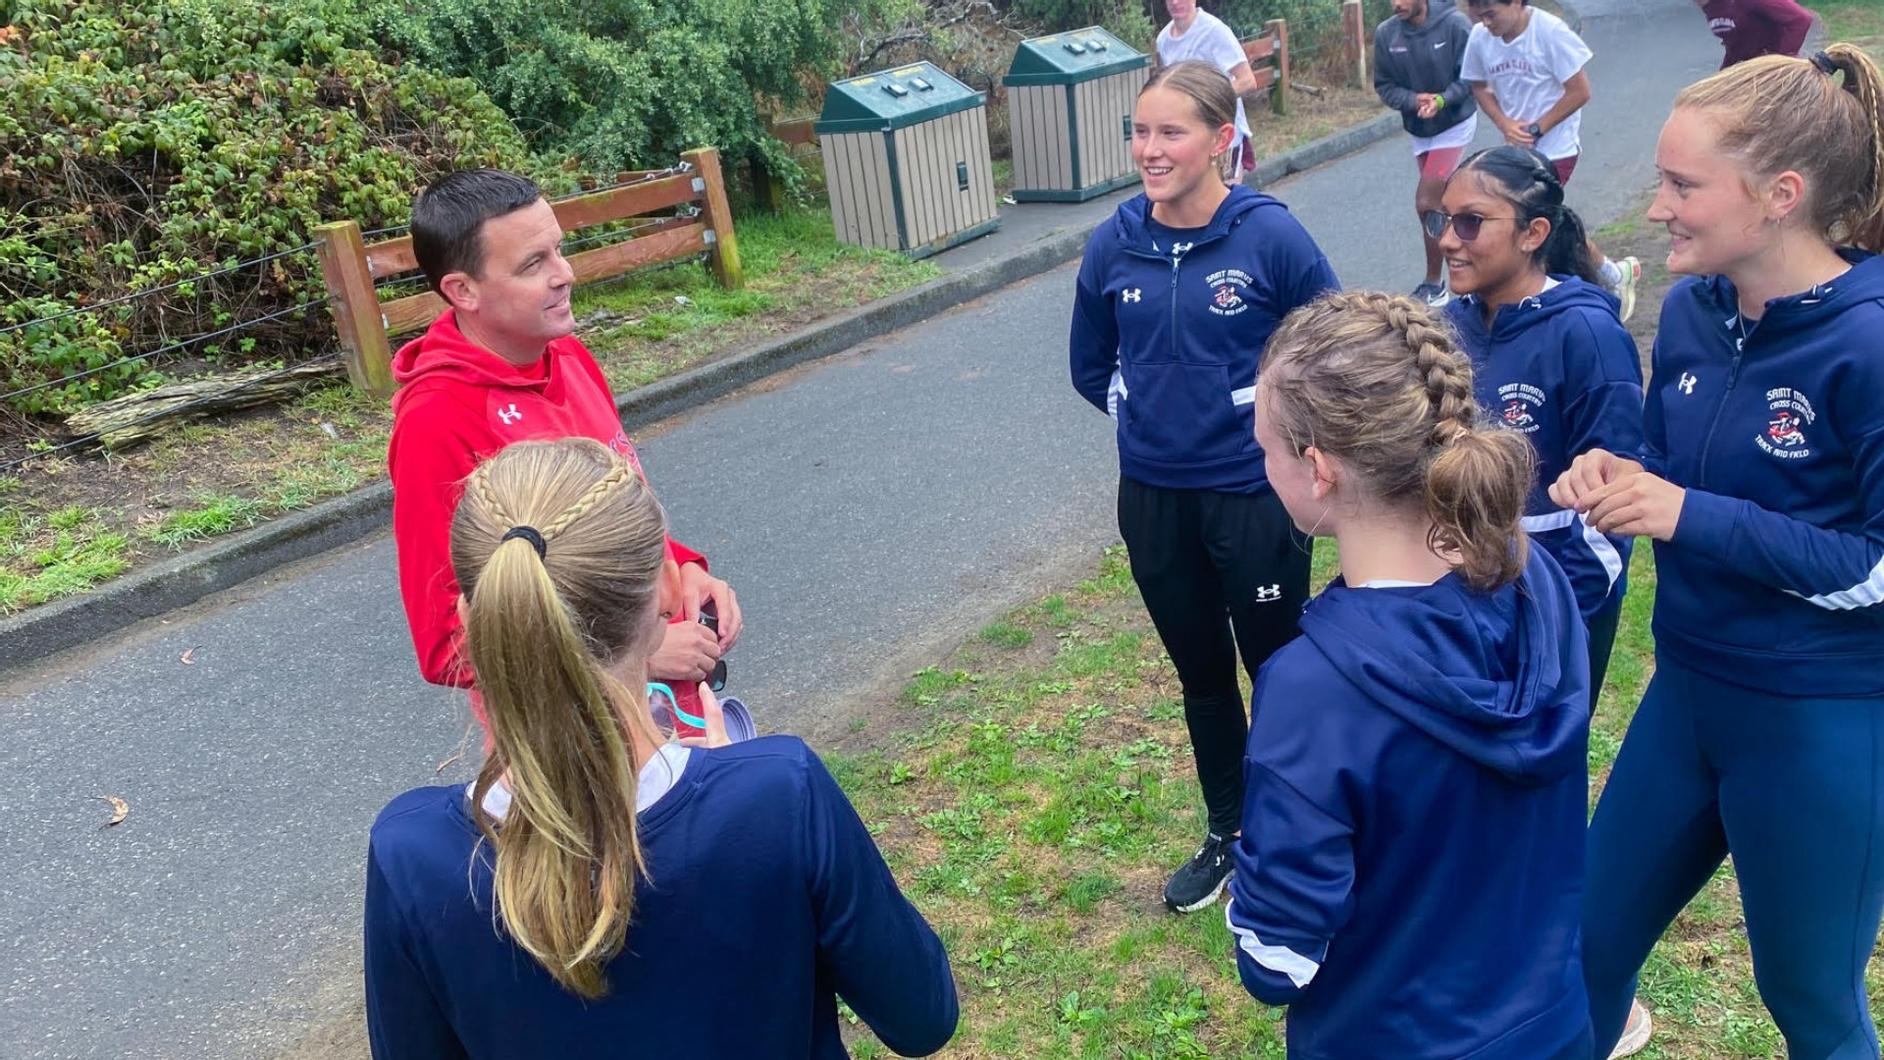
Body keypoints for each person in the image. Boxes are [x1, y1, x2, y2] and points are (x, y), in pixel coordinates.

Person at [364, 438, 959, 1058]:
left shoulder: (411, 854)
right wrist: (735, 780)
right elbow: (922, 1018)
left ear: (469, 611)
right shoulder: (778, 793)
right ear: (665, 593)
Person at [1553, 46, 1884, 1059]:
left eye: (1681, 185)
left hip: (1822, 722)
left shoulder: (1868, 345)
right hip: (1689, 692)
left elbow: (1873, 563)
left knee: (1810, 1002)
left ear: (1781, 196)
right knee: (1582, 947)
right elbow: (1672, 456)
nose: (1656, 209)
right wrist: (1619, 471)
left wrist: (1684, 512)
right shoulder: (1695, 310)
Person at [1225, 291, 1593, 1060]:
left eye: (1264, 447)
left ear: (1317, 469)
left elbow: (1278, 960)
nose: (1260, 465)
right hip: (1551, 1024)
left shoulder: (1312, 689)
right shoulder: (1539, 581)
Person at [1069, 60, 1339, 914]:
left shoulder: (1270, 237)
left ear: (1223, 140)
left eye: (1170, 132)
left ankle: (1298, 834)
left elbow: (1331, 348)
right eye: (1141, 132)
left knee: (1279, 669)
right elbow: (1089, 364)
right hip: (1153, 498)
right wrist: (1150, 409)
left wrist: (1266, 427)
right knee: (1202, 676)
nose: (1149, 150)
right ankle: (1230, 831)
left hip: (1254, 498)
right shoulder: (1114, 242)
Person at [386, 169, 739, 730]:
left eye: (560, 250)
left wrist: (684, 570)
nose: (565, 274)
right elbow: (445, 643)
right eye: (533, 264)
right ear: (462, 290)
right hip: (575, 748)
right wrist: (639, 653)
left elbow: (603, 519)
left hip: (671, 714)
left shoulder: (568, 355)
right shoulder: (437, 420)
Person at [1437, 145, 1644, 696]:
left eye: (1470, 222)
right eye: (1445, 219)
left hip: (1558, 603)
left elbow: (1613, 503)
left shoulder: (1586, 335)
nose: (1447, 239)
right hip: (1455, 598)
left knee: (1542, 764)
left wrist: (1551, 613)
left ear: (1533, 234)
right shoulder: (1444, 329)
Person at [1462, 0, 1642, 320]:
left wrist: (1537, 127)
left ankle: (1584, 286)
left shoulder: (1550, 32)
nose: (1485, 22)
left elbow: (1579, 90)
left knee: (1532, 221)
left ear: (1516, 3)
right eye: (1480, 15)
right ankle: (1614, 274)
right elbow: (1478, 85)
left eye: (1491, 13)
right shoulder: (1480, 36)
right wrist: (1505, 124)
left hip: (1556, 148)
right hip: (1518, 149)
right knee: (1545, 221)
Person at [1374, 0, 1479, 307]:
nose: (1396, 4)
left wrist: (1442, 100)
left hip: (1454, 122)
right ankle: (1472, 274)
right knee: (1442, 206)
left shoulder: (1456, 24)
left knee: (1426, 202)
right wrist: (1412, 100)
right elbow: (1384, 85)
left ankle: (1435, 283)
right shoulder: (1386, 34)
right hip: (1419, 128)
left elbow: (1471, 78)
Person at [1156, 0, 1260, 181]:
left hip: (1223, 136)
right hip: (1187, 139)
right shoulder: (1164, 39)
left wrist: (1205, 100)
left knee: (1225, 202)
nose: (1175, 2)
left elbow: (1247, 81)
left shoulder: (1214, 31)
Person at [1695, 0, 1815, 68]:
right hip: (1750, 73)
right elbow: (1736, 43)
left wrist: (1779, 61)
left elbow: (1801, 19)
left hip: (1773, 75)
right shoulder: (1710, 6)